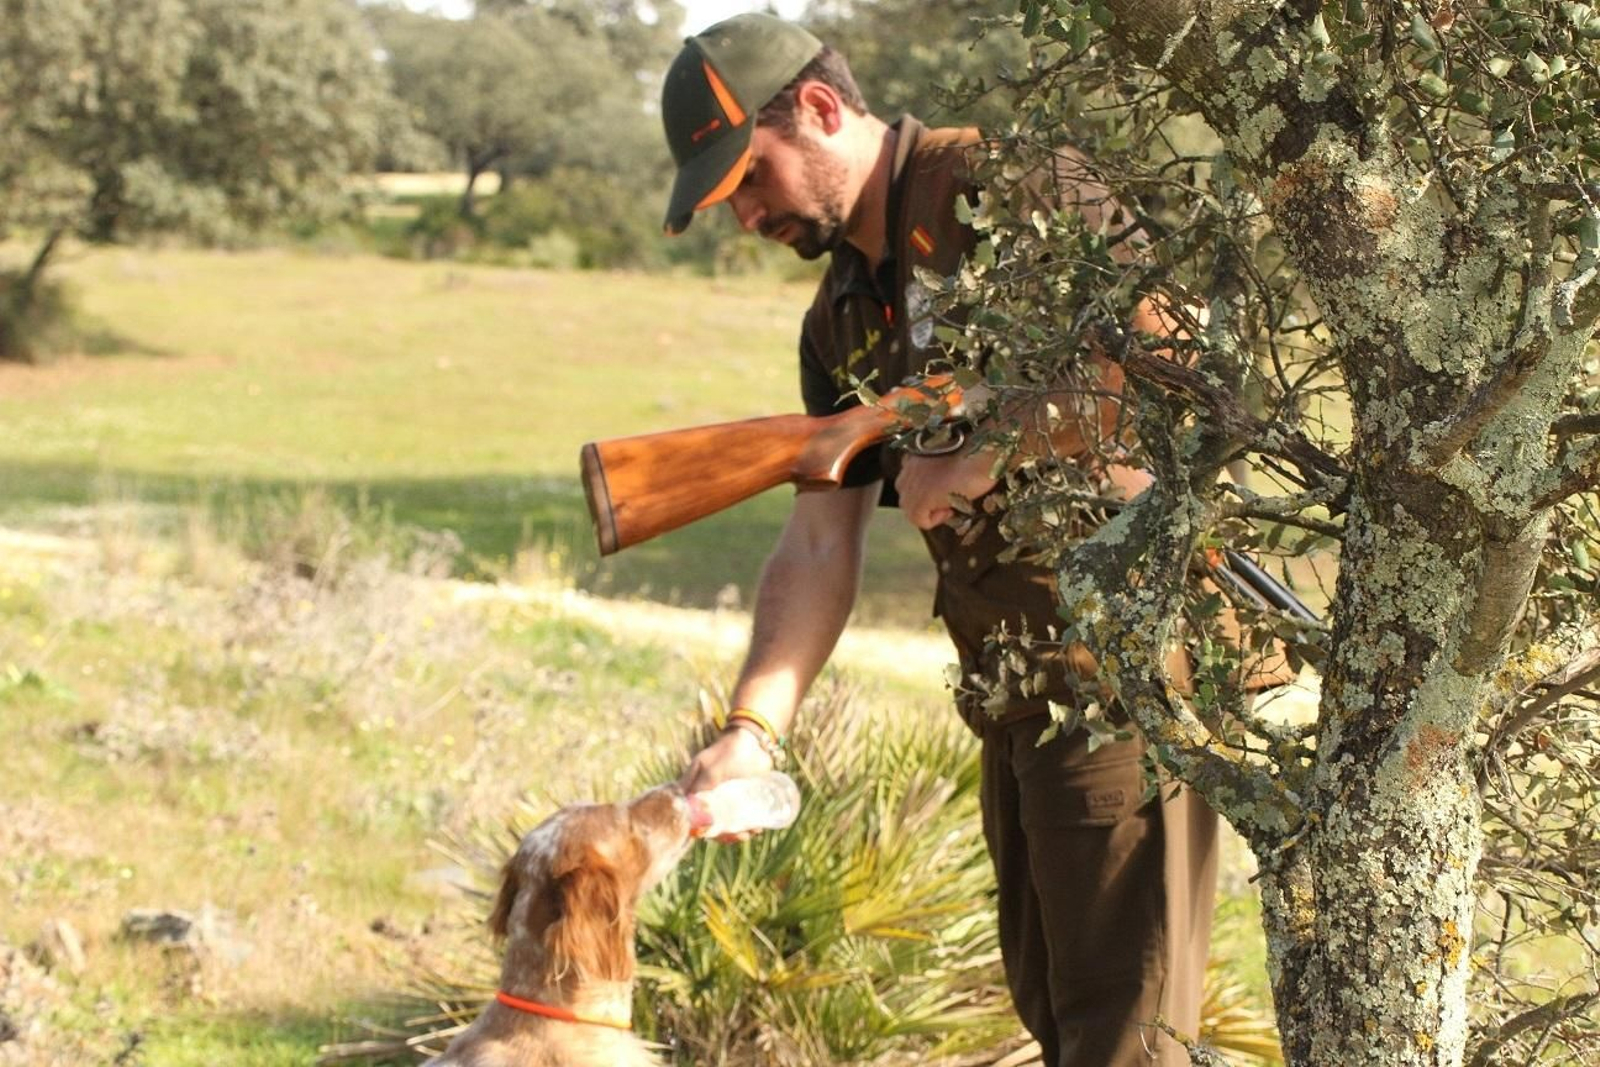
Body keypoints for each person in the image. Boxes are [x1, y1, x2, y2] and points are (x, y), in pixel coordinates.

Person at [658, 14, 1217, 1066]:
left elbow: (1172, 361)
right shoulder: (838, 319)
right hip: (1014, 688)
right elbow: (816, 548)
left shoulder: (1005, 187)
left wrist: (982, 446)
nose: (743, 214)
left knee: (1125, 1038)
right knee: (1058, 1013)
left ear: (820, 110)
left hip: (1118, 671)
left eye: (749, 176)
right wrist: (751, 729)